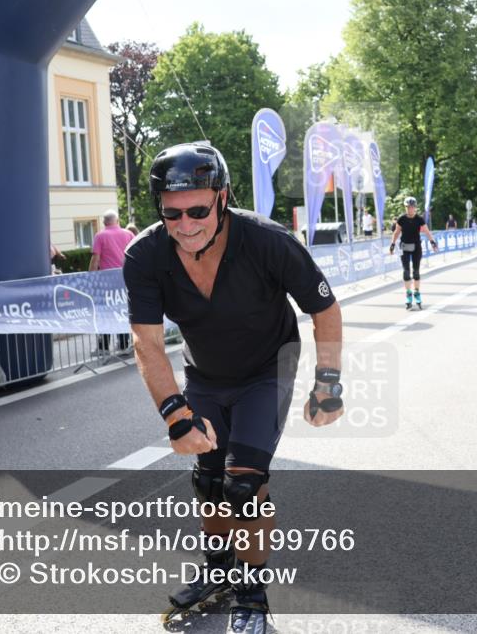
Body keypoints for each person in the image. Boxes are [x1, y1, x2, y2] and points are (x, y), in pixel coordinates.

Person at [123, 142, 343, 633]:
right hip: (205, 375)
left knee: (243, 485)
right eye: (172, 213)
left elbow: (324, 309)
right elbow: (146, 341)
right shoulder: (145, 254)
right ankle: (219, 572)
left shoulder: (268, 242)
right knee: (208, 481)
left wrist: (327, 381)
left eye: (197, 209)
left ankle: (252, 595)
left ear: (222, 198)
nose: (184, 225)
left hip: (268, 370)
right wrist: (175, 414)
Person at [90, 209, 133, 354]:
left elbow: (95, 259)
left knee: (104, 313)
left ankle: (103, 347)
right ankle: (123, 345)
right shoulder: (128, 234)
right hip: (125, 279)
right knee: (122, 311)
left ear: (103, 222)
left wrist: (90, 278)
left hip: (106, 283)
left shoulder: (100, 236)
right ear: (118, 221)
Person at [389, 197, 438, 310]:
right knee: (406, 272)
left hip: (416, 247)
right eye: (408, 207)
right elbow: (396, 232)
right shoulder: (401, 219)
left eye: (412, 207)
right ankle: (408, 294)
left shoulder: (419, 219)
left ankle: (417, 292)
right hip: (404, 247)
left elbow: (426, 231)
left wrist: (432, 242)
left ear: (415, 208)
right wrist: (392, 244)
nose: (410, 209)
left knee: (416, 271)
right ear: (405, 208)